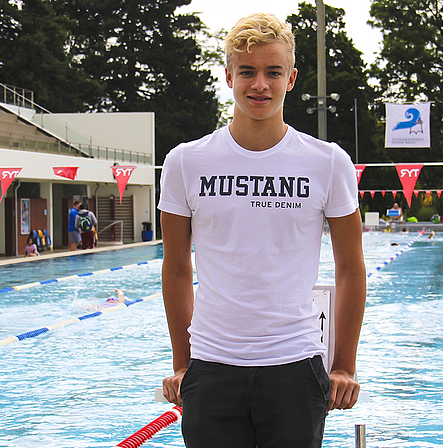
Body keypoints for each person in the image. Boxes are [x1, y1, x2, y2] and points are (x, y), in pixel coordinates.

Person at [158, 13, 366, 448]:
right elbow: (177, 268)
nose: (260, 85)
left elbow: (351, 268)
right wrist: (183, 363)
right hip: (212, 366)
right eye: (248, 72)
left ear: (290, 79)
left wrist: (343, 364)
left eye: (272, 72)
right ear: (228, 75)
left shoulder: (327, 162)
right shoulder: (185, 162)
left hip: (295, 366)